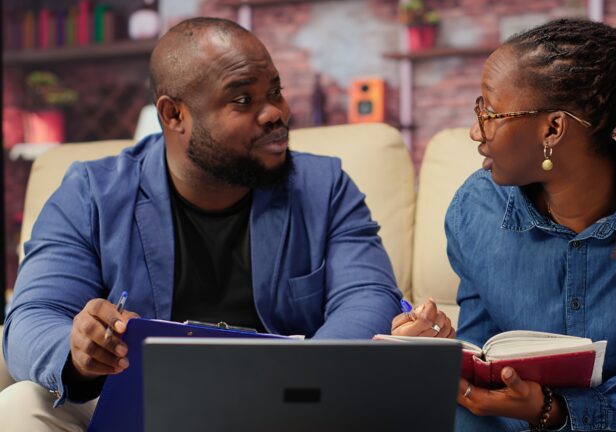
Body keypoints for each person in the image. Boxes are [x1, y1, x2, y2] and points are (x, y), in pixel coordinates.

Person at [0, 17, 401, 431]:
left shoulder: (326, 187)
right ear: (174, 114)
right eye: (244, 100)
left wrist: (295, 382)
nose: (276, 114)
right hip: (141, 400)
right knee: (20, 406)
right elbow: (34, 314)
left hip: (288, 401)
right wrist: (79, 353)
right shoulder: (91, 193)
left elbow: (368, 298)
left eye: (275, 92)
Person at [392, 19, 616, 431]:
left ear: (553, 128)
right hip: (523, 420)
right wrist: (443, 348)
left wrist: (559, 410)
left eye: (491, 111)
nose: (476, 130)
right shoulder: (476, 208)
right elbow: (486, 353)